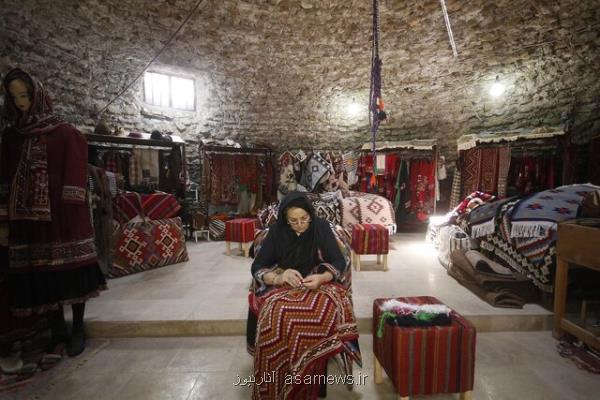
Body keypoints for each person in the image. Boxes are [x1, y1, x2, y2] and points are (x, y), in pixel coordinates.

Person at [0, 68, 106, 357]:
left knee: (71, 271)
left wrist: (72, 205)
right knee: (42, 274)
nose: (21, 102)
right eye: (14, 97)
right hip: (27, 219)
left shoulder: (65, 133)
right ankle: (57, 330)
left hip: (63, 215)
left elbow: (75, 172)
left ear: (38, 95)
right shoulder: (12, 137)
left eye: (25, 95)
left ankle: (78, 328)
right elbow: (6, 177)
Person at [247, 191, 361, 400]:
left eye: (304, 219)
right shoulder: (277, 232)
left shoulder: (321, 227)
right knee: (276, 314)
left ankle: (312, 368)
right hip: (282, 285)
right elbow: (258, 266)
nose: (300, 224)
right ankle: (282, 372)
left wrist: (322, 277)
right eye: (293, 221)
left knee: (324, 311)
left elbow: (338, 261)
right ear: (285, 219)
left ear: (310, 214)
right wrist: (278, 277)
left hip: (317, 284)